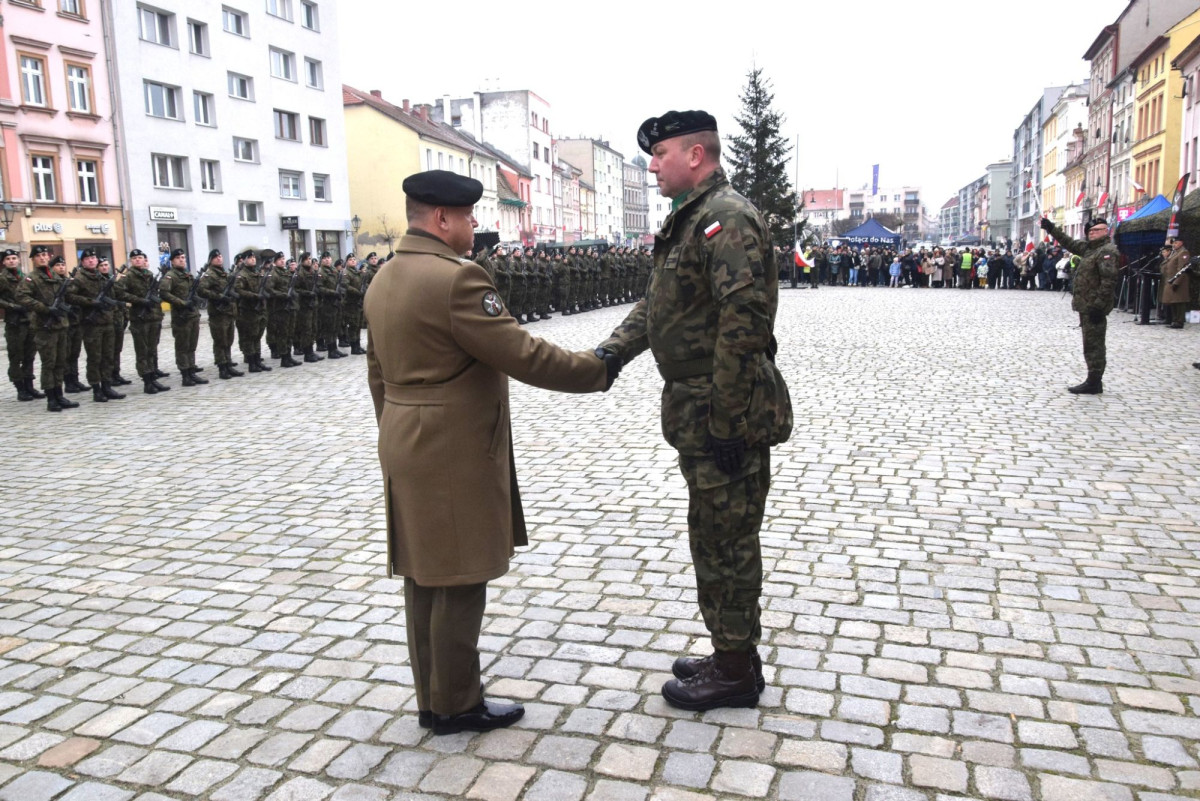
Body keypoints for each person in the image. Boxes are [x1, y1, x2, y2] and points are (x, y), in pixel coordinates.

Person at [364, 170, 620, 736]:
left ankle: (433, 697)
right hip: (450, 448)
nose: (474, 226)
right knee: (459, 575)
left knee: (424, 577)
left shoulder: (384, 277)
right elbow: (523, 354)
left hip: (405, 438)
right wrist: (598, 368)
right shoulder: (457, 280)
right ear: (441, 219)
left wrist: (399, 429)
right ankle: (456, 705)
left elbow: (376, 372)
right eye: (468, 217)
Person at [598, 110, 792, 711]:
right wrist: (609, 355)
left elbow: (744, 324)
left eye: (661, 154)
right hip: (700, 405)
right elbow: (660, 306)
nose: (652, 165)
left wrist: (728, 420)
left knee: (726, 538)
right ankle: (734, 652)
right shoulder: (692, 221)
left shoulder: (724, 218)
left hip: (720, 407)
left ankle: (734, 671)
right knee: (713, 533)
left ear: (696, 156)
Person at [1040, 216, 1119, 394]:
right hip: (1086, 305)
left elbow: (1109, 281)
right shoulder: (1090, 249)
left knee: (1094, 344)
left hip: (1094, 306)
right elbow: (1069, 242)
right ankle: (1093, 379)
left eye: (1096, 230)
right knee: (1089, 343)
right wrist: (1051, 228)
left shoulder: (1106, 251)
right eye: (1090, 231)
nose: (1092, 234)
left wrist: (1099, 305)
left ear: (1105, 231)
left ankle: (1094, 381)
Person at [22, 253, 79, 411]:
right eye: (39, 256)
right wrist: (44, 308)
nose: (42, 258)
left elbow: (67, 295)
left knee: (60, 362)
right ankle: (51, 398)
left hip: (60, 325)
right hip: (44, 326)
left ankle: (59, 394)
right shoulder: (31, 278)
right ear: (33, 259)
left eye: (45, 255)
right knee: (49, 363)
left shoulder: (55, 275)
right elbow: (22, 297)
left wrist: (72, 286)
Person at [66, 248, 124, 403]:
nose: (91, 260)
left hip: (107, 321)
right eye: (88, 259)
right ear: (83, 262)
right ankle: (96, 389)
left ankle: (107, 386)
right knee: (95, 357)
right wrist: (91, 302)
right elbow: (70, 296)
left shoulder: (102, 278)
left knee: (107, 356)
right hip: (91, 323)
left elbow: (113, 296)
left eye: (93, 258)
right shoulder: (79, 278)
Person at [114, 248, 169, 394]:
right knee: (142, 351)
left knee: (152, 350)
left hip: (153, 317)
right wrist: (139, 301)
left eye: (140, 258)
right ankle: (147, 381)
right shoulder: (128, 276)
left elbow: (156, 291)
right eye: (135, 258)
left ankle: (152, 376)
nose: (138, 260)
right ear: (131, 261)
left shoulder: (149, 275)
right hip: (139, 318)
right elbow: (118, 292)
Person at [158, 248, 208, 386]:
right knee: (182, 346)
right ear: (172, 261)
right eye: (179, 258)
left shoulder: (188, 275)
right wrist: (182, 303)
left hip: (193, 315)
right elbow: (164, 293)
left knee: (192, 345)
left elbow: (194, 291)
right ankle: (185, 374)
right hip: (181, 316)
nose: (182, 259)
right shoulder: (170, 276)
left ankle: (192, 371)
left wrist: (198, 299)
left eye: (183, 257)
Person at [1, 248, 42, 402]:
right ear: (4, 262)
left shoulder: (24, 277)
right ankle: (20, 388)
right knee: (16, 356)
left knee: (29, 355)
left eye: (14, 258)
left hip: (29, 321)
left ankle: (29, 385)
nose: (12, 261)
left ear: (18, 260)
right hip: (14, 323)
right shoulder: (2, 278)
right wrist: (12, 306)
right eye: (8, 259)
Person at [197, 249, 245, 378]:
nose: (219, 258)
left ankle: (228, 364)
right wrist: (218, 296)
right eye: (216, 257)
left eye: (220, 256)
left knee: (228, 340)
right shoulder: (209, 274)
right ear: (211, 260)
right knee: (220, 340)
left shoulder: (223, 273)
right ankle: (222, 367)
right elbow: (201, 290)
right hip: (218, 312)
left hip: (228, 312)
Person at [1159, 238, 1191, 329]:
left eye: (1176, 243)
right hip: (1171, 280)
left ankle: (1179, 321)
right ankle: (1175, 320)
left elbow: (1182, 269)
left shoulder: (1183, 253)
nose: (1174, 245)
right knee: (1173, 301)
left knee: (1179, 302)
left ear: (1181, 243)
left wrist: (1176, 282)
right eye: (1173, 243)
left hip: (1178, 282)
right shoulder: (1176, 253)